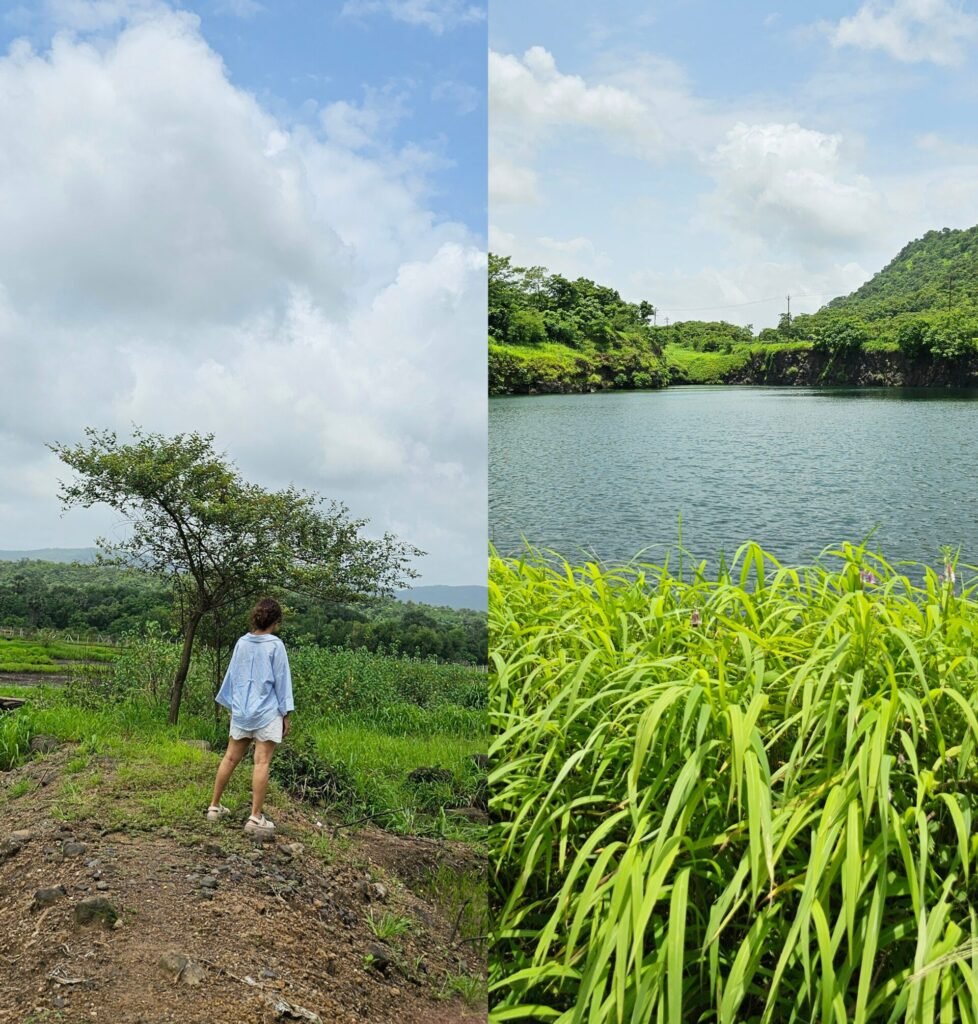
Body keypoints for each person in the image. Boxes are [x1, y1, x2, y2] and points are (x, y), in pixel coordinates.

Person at [205, 597, 294, 836]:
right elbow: (282, 681)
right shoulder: (276, 645)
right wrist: (286, 714)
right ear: (275, 621)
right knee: (261, 761)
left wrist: (232, 705)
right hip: (267, 712)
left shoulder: (241, 643)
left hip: (242, 709)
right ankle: (255, 817)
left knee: (230, 757)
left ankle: (214, 807)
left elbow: (232, 677)